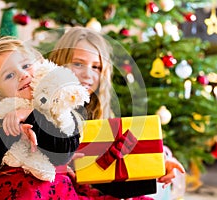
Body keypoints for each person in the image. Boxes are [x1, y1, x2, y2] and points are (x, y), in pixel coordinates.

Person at [0, 37, 118, 200]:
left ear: (40, 64)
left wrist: (30, 115)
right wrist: (11, 130)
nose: (23, 75)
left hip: (52, 192)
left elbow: (63, 153)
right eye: (9, 75)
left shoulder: (61, 109)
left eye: (26, 66)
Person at [47, 26, 186, 199]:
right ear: (60, 63)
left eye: (96, 67)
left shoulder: (99, 115)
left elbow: (111, 173)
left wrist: (158, 164)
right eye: (78, 63)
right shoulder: (44, 109)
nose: (88, 74)